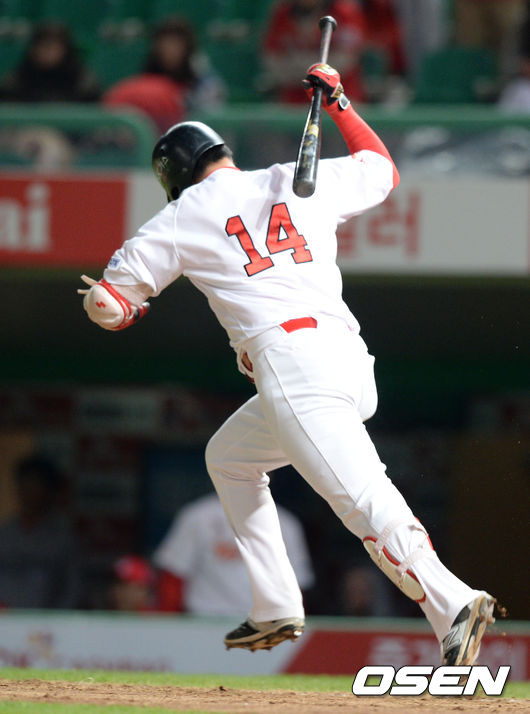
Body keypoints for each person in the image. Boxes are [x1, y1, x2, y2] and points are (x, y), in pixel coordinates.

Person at [78, 62, 496, 663]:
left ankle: (452, 600)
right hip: (348, 359)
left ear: (175, 176)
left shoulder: (182, 213)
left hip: (293, 365)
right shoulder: (290, 178)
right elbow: (382, 169)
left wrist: (116, 306)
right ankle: (276, 602)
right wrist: (341, 104)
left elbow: (110, 306)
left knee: (362, 498)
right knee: (230, 459)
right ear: (221, 152)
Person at [153, 491, 314, 615]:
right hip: (204, 620)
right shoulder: (198, 515)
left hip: (263, 627)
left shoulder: (285, 522)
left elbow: (295, 589)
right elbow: (173, 576)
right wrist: (171, 627)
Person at [102, 17, 224, 132]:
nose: (169, 50)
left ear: (188, 47)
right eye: (164, 43)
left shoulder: (204, 84)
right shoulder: (147, 80)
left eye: (176, 44)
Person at [0, 455, 80, 609]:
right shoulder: (4, 534)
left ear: (49, 491)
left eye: (35, 486)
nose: (28, 493)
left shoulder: (62, 539)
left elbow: (73, 589)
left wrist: (55, 618)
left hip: (46, 620)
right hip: (4, 619)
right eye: (24, 486)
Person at [262, 0, 366, 103]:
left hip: (340, 95)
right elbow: (271, 55)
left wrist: (304, 67)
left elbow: (347, 58)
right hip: (294, 96)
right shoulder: (282, 13)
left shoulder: (344, 11)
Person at [0, 21, 101, 102]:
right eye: (43, 46)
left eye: (54, 47)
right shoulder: (16, 82)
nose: (48, 52)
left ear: (66, 50)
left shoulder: (83, 84)